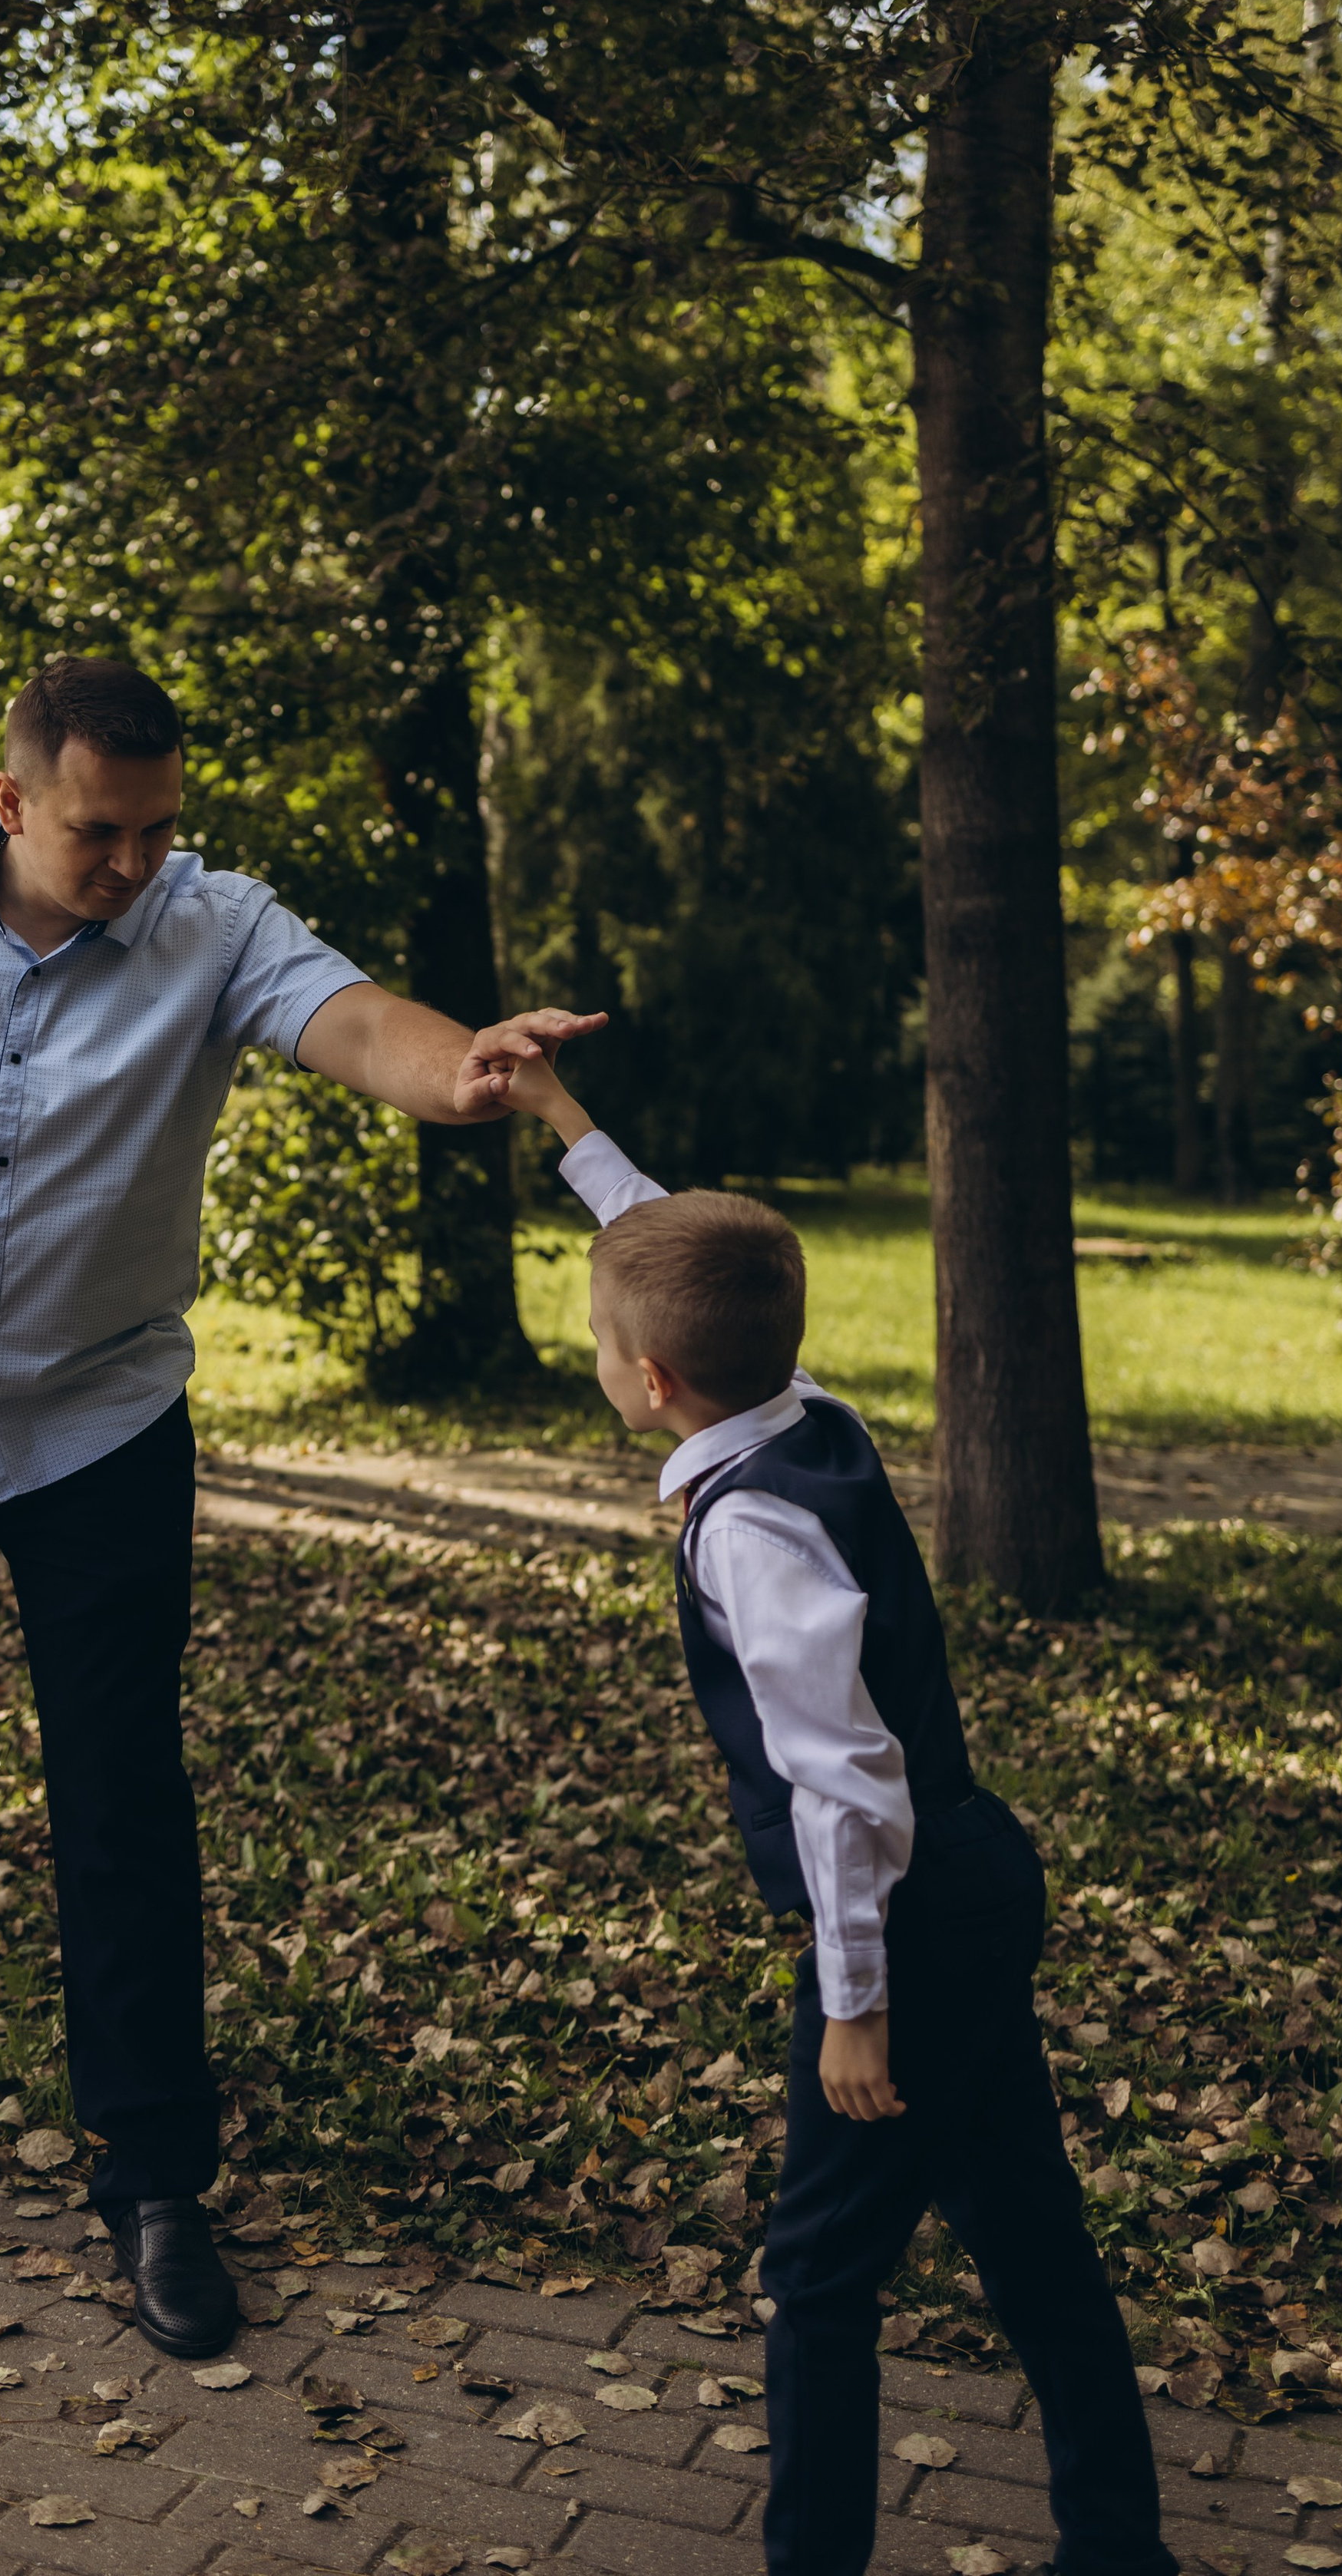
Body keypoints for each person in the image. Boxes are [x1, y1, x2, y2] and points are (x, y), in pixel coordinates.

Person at [0, 652, 602, 2358]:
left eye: (155, 828)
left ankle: (153, 2181)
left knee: (119, 1806)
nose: (129, 863)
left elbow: (359, 1027)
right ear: (12, 802)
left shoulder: (212, 923)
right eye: (97, 833)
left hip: (96, 1434)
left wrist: (462, 1068)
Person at [499, 1044, 1175, 2576]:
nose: (605, 1359)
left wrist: (848, 2003)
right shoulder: (791, 1401)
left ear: (652, 1382)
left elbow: (842, 1782)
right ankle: (1118, 2547)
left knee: (812, 2280)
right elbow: (667, 1255)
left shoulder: (751, 1535)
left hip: (906, 1919)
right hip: (979, 1873)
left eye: (606, 1348)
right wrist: (563, 1125)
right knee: (1023, 2233)